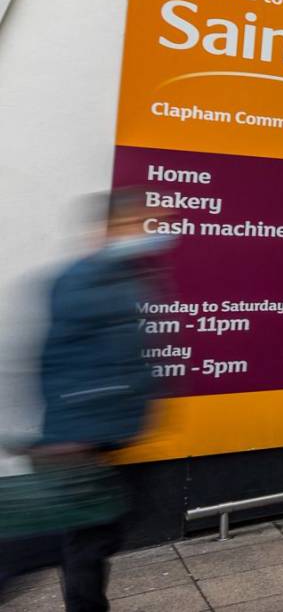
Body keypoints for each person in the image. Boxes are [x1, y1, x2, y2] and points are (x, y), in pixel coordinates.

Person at [0, 190, 164, 611]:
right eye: (142, 224)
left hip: (102, 435)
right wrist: (71, 434)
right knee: (60, 541)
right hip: (82, 440)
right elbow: (62, 359)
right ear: (112, 229)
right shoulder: (84, 280)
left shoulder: (122, 276)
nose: (154, 233)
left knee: (89, 538)